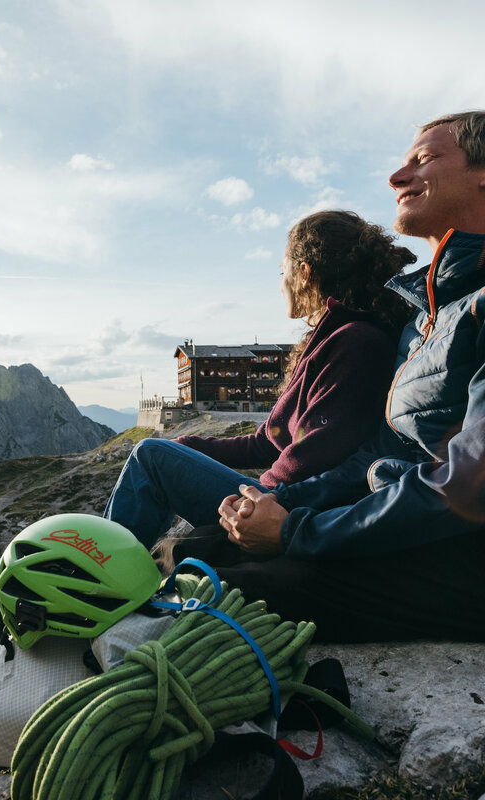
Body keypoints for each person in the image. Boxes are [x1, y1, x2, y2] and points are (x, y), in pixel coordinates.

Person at [208, 111, 485, 642]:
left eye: (424, 160)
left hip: (464, 552)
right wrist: (280, 506)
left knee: (233, 593)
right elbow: (379, 456)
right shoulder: (424, 317)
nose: (396, 177)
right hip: (416, 525)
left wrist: (297, 532)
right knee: (196, 548)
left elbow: (468, 484)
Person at [104, 210, 415, 549]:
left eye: (282, 272)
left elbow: (315, 460)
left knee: (149, 455)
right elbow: (268, 443)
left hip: (287, 510)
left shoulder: (356, 342)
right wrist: (187, 447)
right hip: (278, 499)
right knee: (158, 452)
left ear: (304, 274)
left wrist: (267, 502)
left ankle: (103, 567)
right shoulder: (335, 337)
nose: (280, 283)